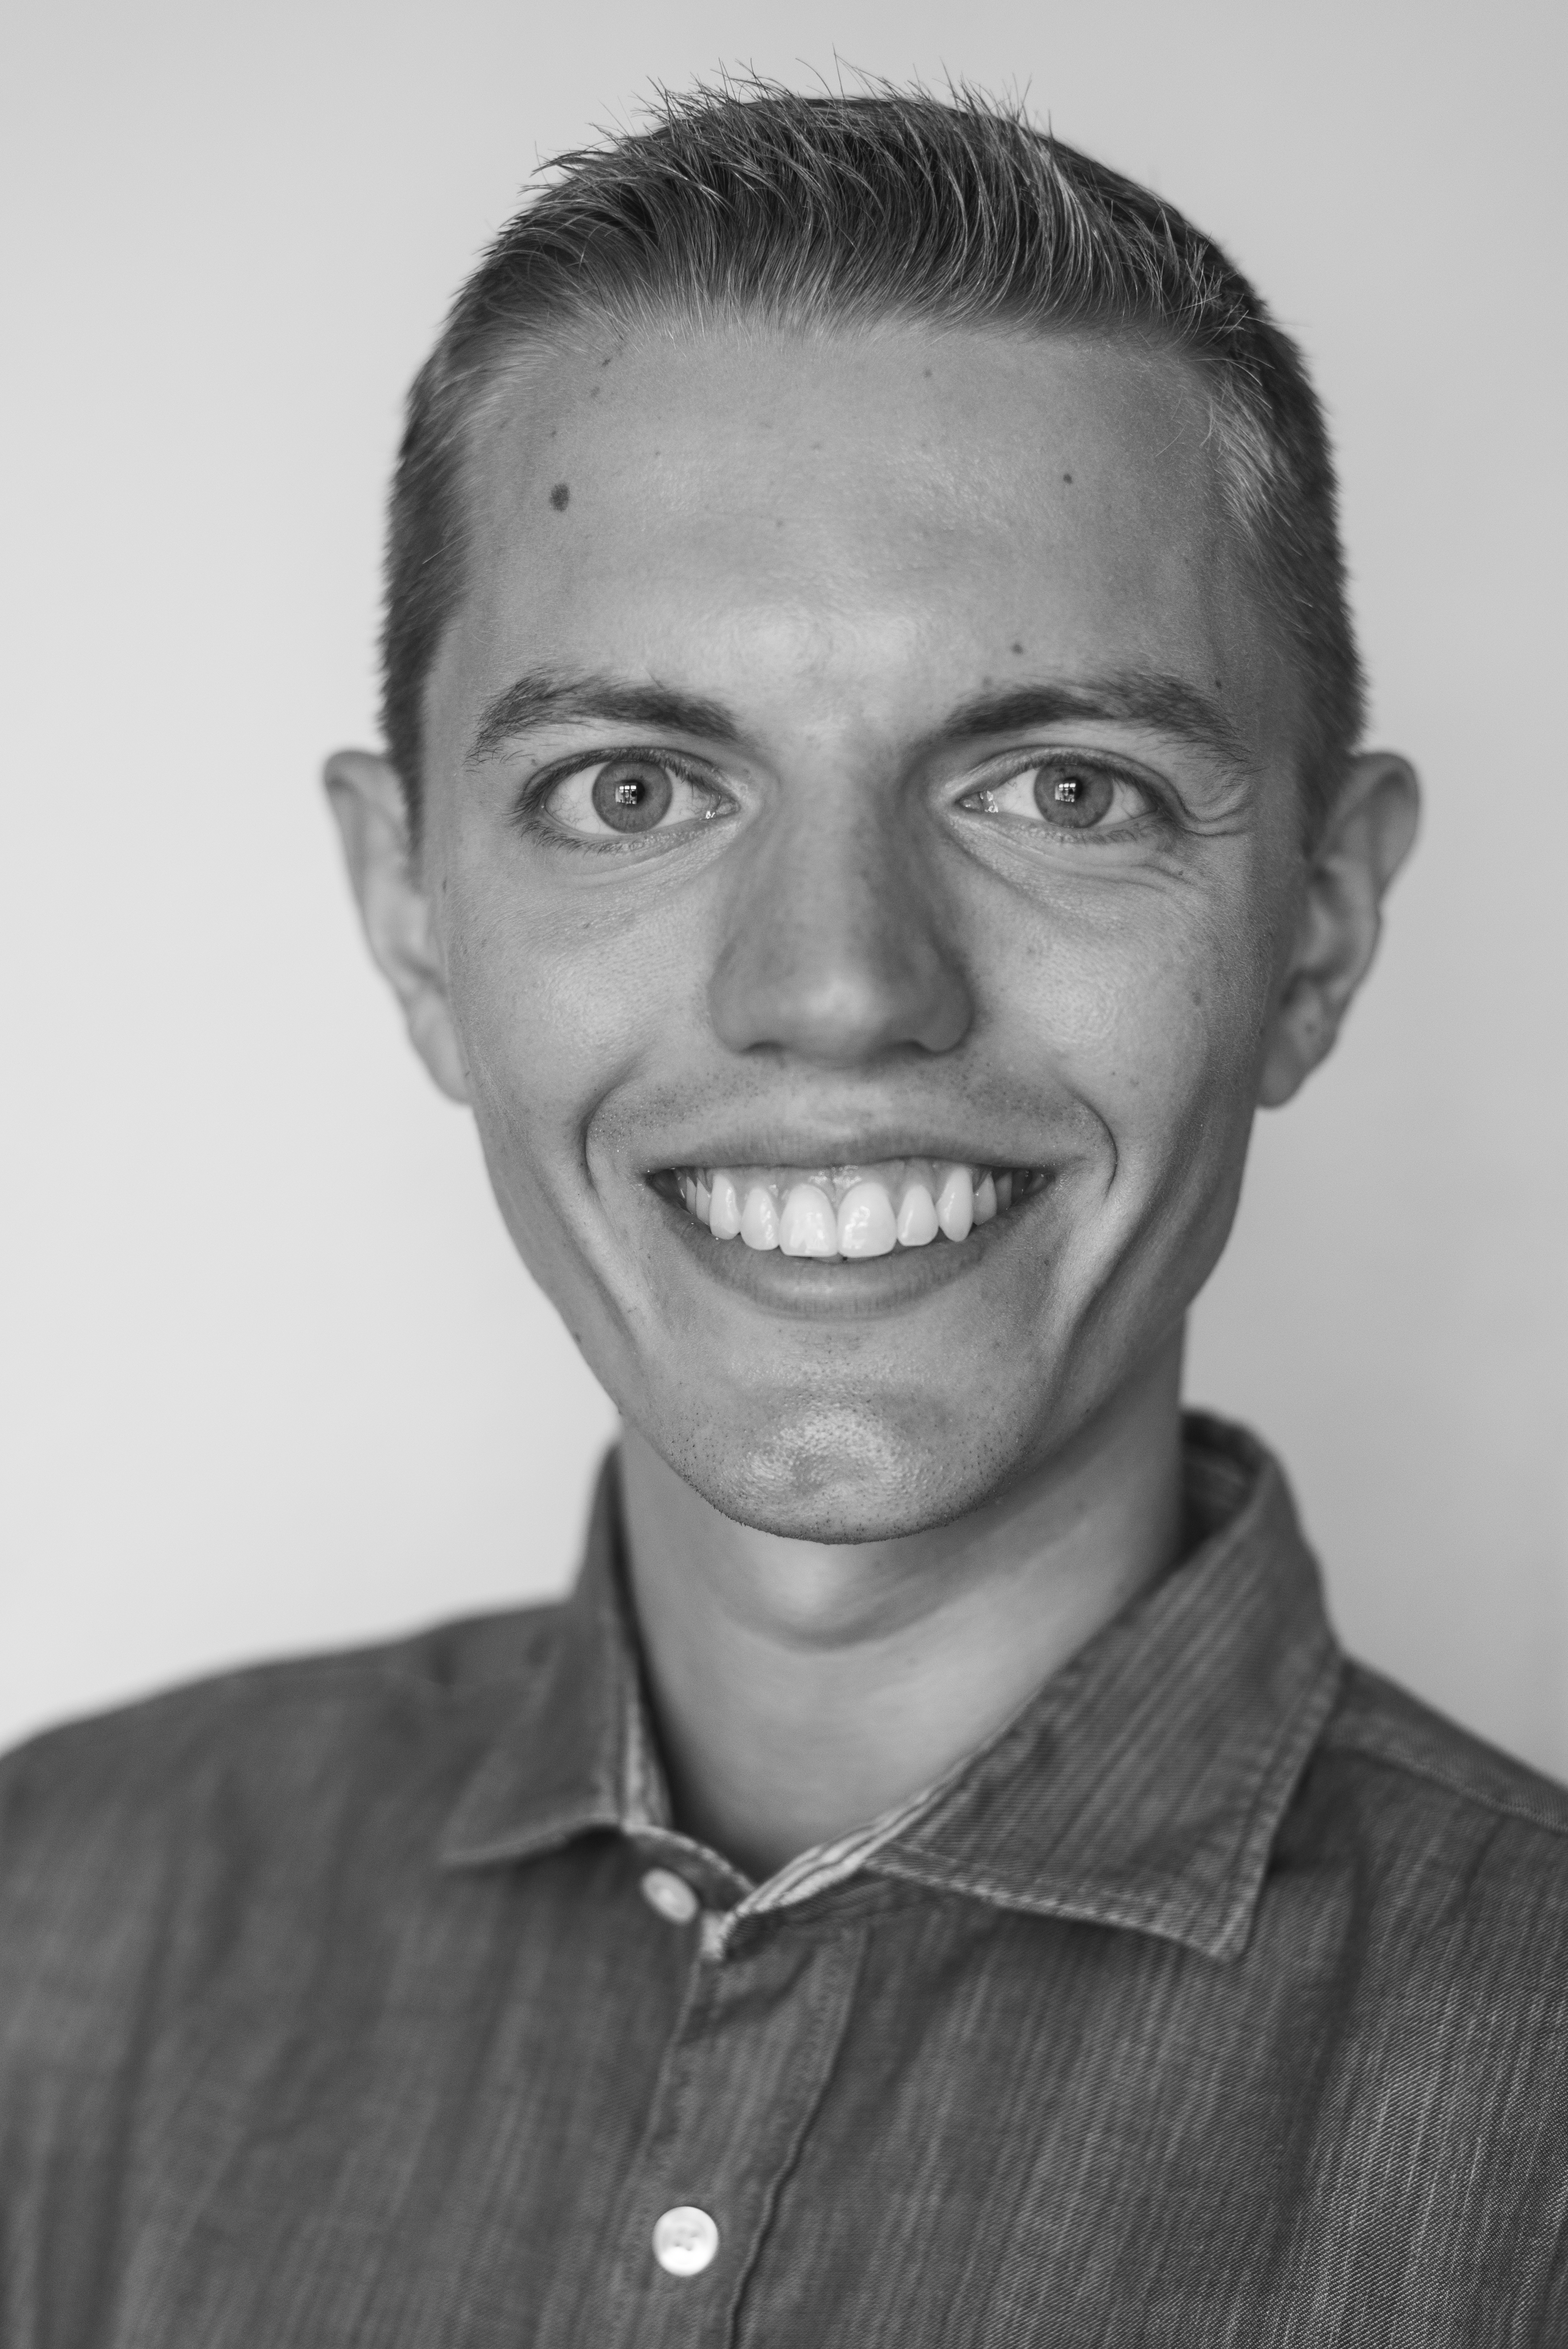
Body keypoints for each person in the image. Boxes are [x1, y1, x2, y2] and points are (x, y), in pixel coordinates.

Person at [3, 81, 1565, 2347]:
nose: (839, 986)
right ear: (416, 913)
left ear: (1318, 928)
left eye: (1062, 785)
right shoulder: (54, 1934)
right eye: (632, 787)